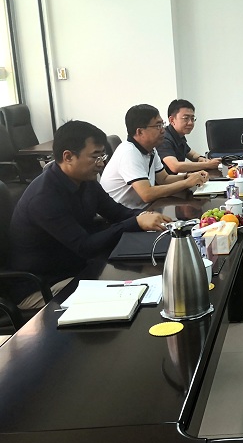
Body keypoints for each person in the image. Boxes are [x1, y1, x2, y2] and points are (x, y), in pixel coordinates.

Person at [8, 120, 172, 309]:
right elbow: (84, 246)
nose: (101, 163)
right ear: (68, 156)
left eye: (102, 155)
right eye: (95, 156)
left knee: (148, 277)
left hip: (77, 267)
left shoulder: (85, 181)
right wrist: (136, 222)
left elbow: (117, 213)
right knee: (131, 298)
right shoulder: (43, 198)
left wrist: (149, 217)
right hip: (44, 286)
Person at [100, 104, 208, 209]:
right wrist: (186, 183)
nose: (163, 130)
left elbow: (164, 179)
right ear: (140, 131)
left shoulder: (151, 149)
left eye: (162, 124)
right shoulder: (129, 153)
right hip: (123, 214)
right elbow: (147, 194)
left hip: (144, 208)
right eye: (158, 126)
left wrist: (189, 176)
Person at [156, 99, 221, 174]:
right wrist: (207, 165)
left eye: (192, 118)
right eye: (186, 118)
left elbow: (192, 155)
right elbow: (175, 167)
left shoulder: (179, 136)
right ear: (172, 120)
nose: (190, 123)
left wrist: (201, 159)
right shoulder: (164, 138)